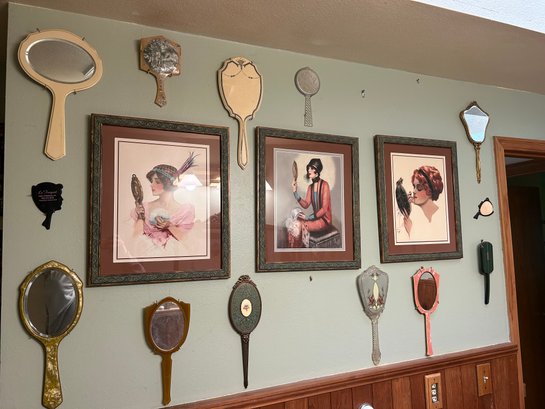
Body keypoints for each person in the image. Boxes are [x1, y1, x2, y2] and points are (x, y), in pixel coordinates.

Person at [132, 153, 197, 251]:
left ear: (168, 183)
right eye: (151, 181)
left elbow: (188, 243)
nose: (151, 185)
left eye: (157, 182)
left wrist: (170, 226)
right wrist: (140, 217)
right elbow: (134, 240)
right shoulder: (144, 208)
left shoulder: (186, 211)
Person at [287, 158, 332, 247]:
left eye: (311, 168)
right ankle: (291, 249)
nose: (309, 170)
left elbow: (324, 209)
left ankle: (298, 250)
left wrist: (308, 217)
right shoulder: (310, 187)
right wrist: (295, 192)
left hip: (324, 220)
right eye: (308, 168)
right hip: (315, 218)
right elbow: (306, 204)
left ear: (317, 171)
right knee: (295, 222)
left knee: (300, 226)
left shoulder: (325, 185)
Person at [400, 165, 445, 240]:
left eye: (419, 187)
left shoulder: (441, 216)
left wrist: (411, 231)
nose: (414, 191)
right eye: (414, 186)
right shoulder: (419, 218)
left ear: (430, 190)